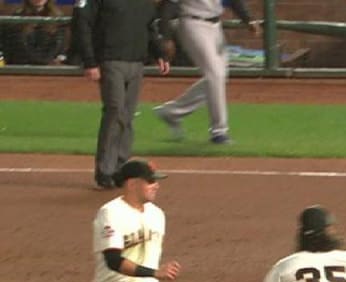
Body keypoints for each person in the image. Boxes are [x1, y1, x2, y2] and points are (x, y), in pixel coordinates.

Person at [72, 0, 171, 190]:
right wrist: (89, 61)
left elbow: (149, 27)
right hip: (110, 59)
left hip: (136, 61)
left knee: (127, 114)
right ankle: (105, 170)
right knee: (115, 110)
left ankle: (120, 168)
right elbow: (82, 23)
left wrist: (159, 53)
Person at [153, 0, 260, 144]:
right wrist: (166, 37)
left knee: (218, 77)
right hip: (192, 23)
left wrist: (248, 19)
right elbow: (168, 5)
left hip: (216, 26)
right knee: (215, 75)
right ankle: (219, 132)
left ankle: (171, 112)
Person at [2, 0, 67, 65]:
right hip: (22, 68)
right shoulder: (16, 19)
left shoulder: (58, 19)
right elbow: (18, 51)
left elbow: (59, 48)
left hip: (50, 69)